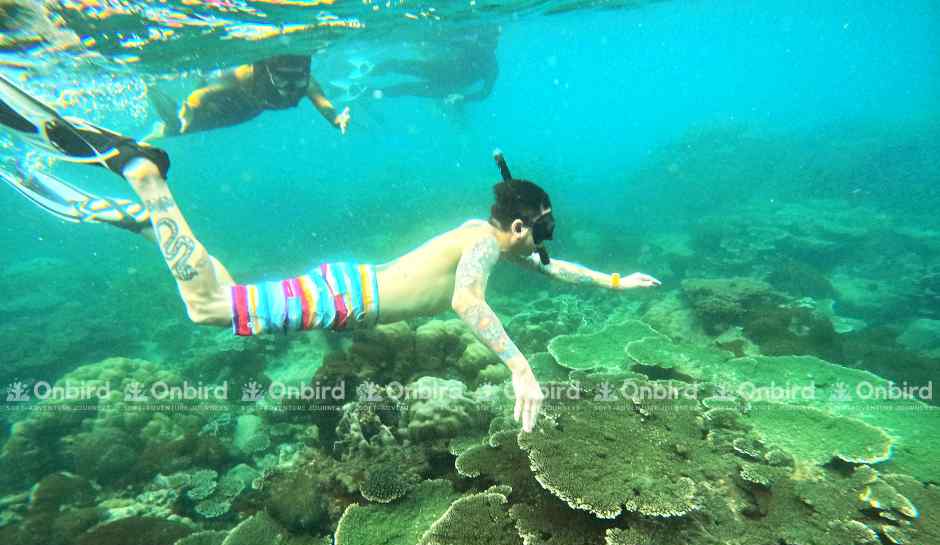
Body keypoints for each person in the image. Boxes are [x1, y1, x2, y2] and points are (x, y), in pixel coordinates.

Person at [0, 77, 660, 432]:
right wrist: (520, 368)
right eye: (536, 236)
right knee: (209, 309)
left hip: (346, 294)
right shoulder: (484, 247)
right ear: (516, 226)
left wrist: (610, 281)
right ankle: (146, 178)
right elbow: (465, 300)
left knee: (224, 299)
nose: (539, 250)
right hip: (344, 298)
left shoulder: (489, 238)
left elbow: (552, 270)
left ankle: (146, 225)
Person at [145, 54, 350, 139]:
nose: (290, 88)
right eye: (283, 81)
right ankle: (152, 89)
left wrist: (335, 118)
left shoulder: (308, 84)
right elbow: (203, 93)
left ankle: (161, 128)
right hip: (226, 97)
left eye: (297, 81)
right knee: (179, 125)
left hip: (251, 109)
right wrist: (189, 109)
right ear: (270, 74)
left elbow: (323, 104)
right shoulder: (245, 76)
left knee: (177, 130)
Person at [372, 26, 499, 106]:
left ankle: (373, 92)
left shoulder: (491, 66)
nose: (482, 45)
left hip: (446, 85)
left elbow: (485, 92)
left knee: (407, 85)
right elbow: (448, 41)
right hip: (439, 71)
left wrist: (463, 98)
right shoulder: (477, 50)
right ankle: (371, 72)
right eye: (482, 41)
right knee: (399, 67)